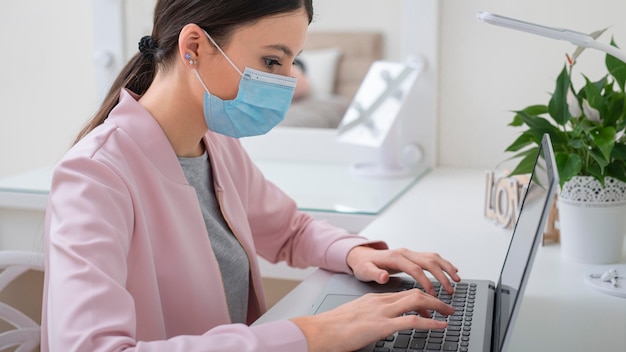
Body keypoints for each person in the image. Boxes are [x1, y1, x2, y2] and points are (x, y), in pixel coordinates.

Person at [41, 0, 461, 351]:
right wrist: (312, 334)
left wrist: (355, 253)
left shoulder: (218, 145)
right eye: (272, 60)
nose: (288, 81)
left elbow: (288, 229)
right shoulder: (94, 176)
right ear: (194, 47)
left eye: (292, 63)